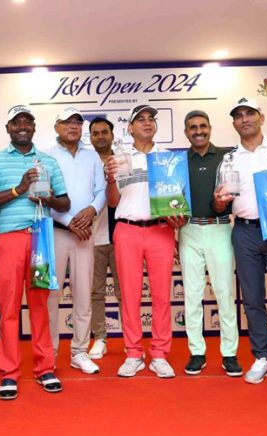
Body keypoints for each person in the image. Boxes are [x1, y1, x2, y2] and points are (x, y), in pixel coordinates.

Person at [213, 97, 267, 390]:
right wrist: (217, 202)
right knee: (251, 299)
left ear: (261, 117)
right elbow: (220, 207)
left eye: (249, 113)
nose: (244, 119)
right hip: (244, 232)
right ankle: (261, 356)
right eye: (238, 115)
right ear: (234, 123)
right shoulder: (228, 159)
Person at [0, 105, 71, 400]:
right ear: (8, 128)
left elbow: (64, 202)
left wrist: (47, 196)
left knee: (40, 307)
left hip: (41, 240)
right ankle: (8, 374)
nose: (22, 126)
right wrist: (20, 188)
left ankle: (45, 368)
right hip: (9, 239)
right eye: (16, 122)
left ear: (34, 128)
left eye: (27, 122)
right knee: (8, 309)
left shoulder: (48, 160)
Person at [105, 104, 186, 379]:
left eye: (151, 118)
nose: (147, 123)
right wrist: (109, 179)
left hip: (160, 230)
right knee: (129, 295)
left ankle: (160, 354)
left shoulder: (169, 159)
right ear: (129, 127)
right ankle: (133, 353)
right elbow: (114, 202)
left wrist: (179, 218)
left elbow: (178, 201)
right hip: (127, 229)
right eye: (140, 119)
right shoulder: (120, 158)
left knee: (162, 295)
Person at [178, 110, 241, 377]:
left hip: (220, 229)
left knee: (225, 293)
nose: (198, 131)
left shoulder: (228, 156)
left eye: (203, 126)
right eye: (192, 127)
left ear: (210, 128)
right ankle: (197, 352)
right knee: (192, 295)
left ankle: (229, 353)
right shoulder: (178, 161)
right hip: (189, 230)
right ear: (186, 132)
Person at [45, 108, 106, 374]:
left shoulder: (92, 156)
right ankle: (49, 353)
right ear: (56, 126)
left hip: (85, 233)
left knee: (83, 294)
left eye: (77, 123)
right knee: (51, 296)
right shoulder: (46, 155)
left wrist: (92, 210)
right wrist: (70, 221)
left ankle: (79, 351)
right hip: (56, 232)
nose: (73, 126)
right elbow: (43, 196)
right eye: (67, 122)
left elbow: (102, 191)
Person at [87, 117, 122, 359]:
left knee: (126, 292)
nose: (100, 136)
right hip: (94, 236)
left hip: (124, 236)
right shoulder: (86, 163)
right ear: (90, 137)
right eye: (95, 133)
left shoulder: (123, 159)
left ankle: (132, 340)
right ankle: (99, 338)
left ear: (112, 134)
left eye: (104, 132)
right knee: (95, 292)